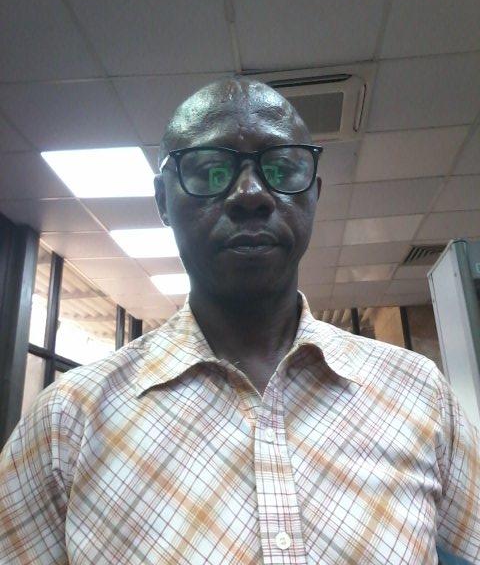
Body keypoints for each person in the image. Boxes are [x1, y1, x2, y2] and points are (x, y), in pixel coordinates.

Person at [0, 77, 478, 564]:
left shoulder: (419, 393)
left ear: (314, 195)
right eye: (211, 171)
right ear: (163, 200)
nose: (250, 194)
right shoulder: (67, 422)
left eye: (282, 168)